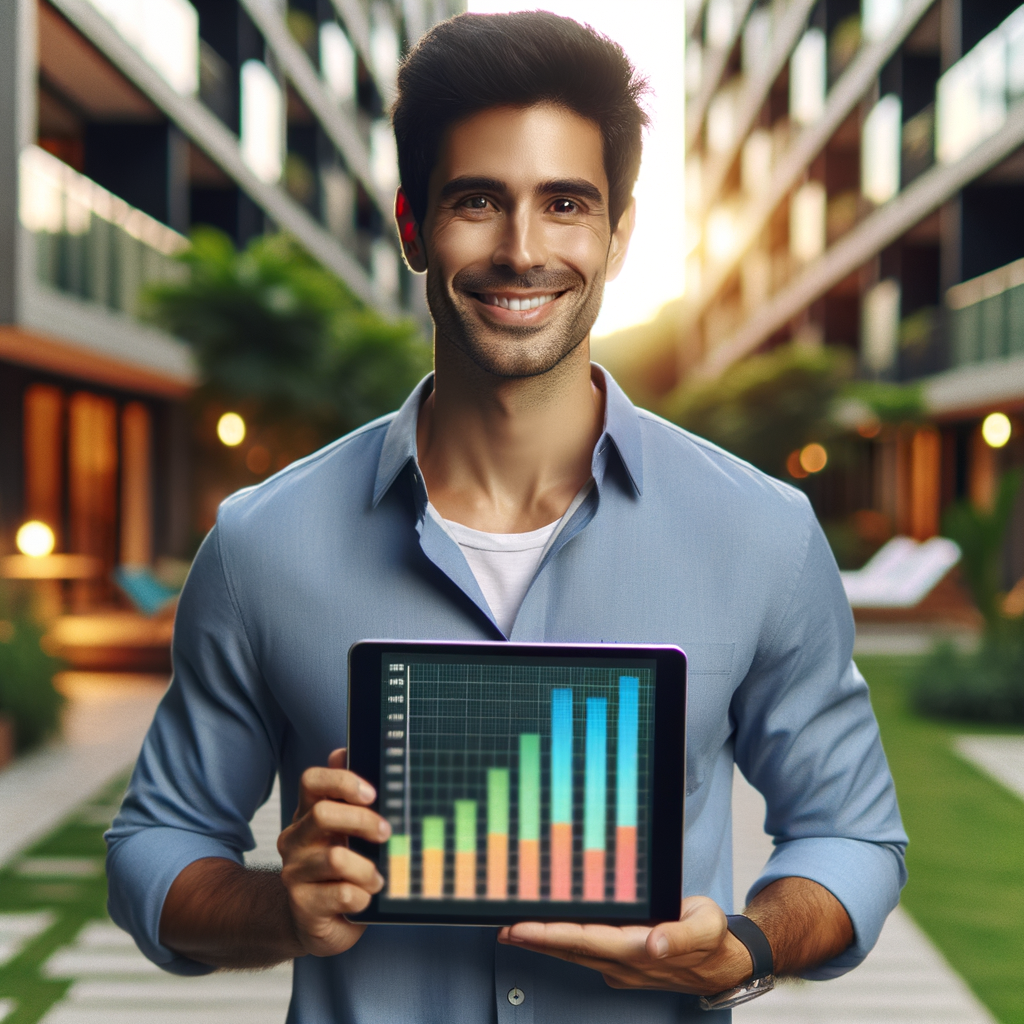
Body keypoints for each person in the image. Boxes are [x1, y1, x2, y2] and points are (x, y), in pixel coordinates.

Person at [106, 12, 907, 1022]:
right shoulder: (259, 544)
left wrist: (743, 945)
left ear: (616, 236)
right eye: (477, 201)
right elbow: (156, 843)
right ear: (411, 227)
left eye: (565, 203)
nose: (522, 250)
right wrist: (279, 908)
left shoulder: (765, 534)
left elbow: (852, 835)